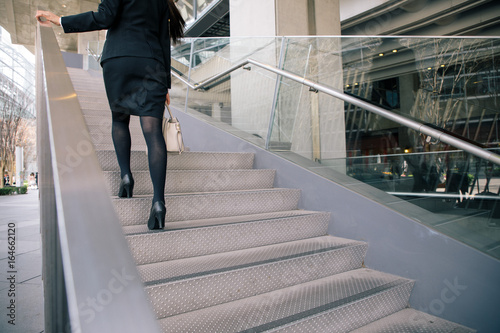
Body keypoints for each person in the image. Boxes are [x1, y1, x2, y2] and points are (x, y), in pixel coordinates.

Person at [36, 0, 185, 230]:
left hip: (119, 59)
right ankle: (158, 202)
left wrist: (60, 20)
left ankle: (126, 177)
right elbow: (163, 40)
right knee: (153, 130)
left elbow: (104, 17)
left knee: (119, 119)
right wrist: (165, 84)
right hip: (151, 63)